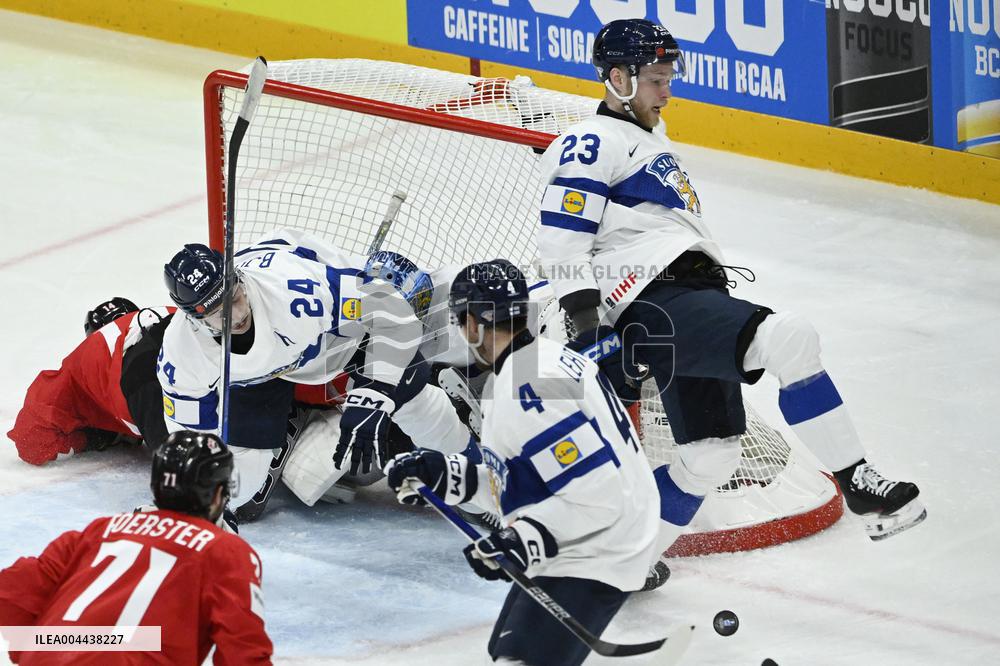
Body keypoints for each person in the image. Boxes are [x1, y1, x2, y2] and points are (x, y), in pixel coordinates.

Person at [535, 18, 925, 541]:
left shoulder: (644, 139)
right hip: (654, 300)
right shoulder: (591, 139)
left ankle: (626, 557)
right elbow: (561, 239)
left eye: (669, 77)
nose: (666, 92)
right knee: (789, 338)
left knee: (709, 456)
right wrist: (587, 329)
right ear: (617, 79)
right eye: (655, 78)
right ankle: (857, 480)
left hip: (680, 299)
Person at [385, 260, 662, 666]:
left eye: (462, 321)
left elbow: (599, 494)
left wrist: (524, 539)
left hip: (598, 546)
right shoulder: (539, 361)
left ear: (475, 324)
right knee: (505, 651)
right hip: (590, 534)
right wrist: (446, 476)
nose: (463, 333)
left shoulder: (529, 384)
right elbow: (529, 482)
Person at [158, 228, 469, 518]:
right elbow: (191, 442)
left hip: (340, 338)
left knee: (415, 404)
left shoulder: (296, 293)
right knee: (238, 489)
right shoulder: (181, 353)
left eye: (235, 299)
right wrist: (200, 510)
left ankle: (474, 478)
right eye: (217, 314)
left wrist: (374, 393)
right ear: (194, 320)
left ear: (239, 280)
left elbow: (390, 309)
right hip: (262, 376)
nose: (236, 318)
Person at [0, 430, 273, 665]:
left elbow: (9, 595)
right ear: (217, 494)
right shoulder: (226, 551)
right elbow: (244, 654)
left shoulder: (100, 531)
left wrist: (39, 652)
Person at [7, 298, 175, 465]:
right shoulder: (169, 312)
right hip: (182, 333)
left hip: (143, 385)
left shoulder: (85, 362)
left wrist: (95, 437)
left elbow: (30, 441)